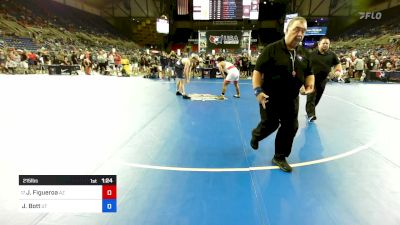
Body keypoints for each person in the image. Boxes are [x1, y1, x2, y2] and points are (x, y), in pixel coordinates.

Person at [250, 16, 315, 172]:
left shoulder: (305, 54)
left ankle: (279, 156)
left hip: (291, 98)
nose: (300, 34)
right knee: (270, 124)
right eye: (297, 29)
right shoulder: (271, 49)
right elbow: (257, 72)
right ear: (287, 30)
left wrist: (309, 86)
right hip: (269, 97)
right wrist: (258, 91)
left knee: (291, 126)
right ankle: (256, 135)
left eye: (303, 31)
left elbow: (309, 73)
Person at [306, 36, 342, 122]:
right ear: (319, 44)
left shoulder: (332, 55)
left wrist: (337, 71)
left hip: (323, 80)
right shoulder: (311, 54)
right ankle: (311, 114)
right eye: (324, 43)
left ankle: (310, 109)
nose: (325, 45)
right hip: (311, 79)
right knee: (311, 96)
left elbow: (338, 64)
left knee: (317, 97)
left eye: (327, 43)